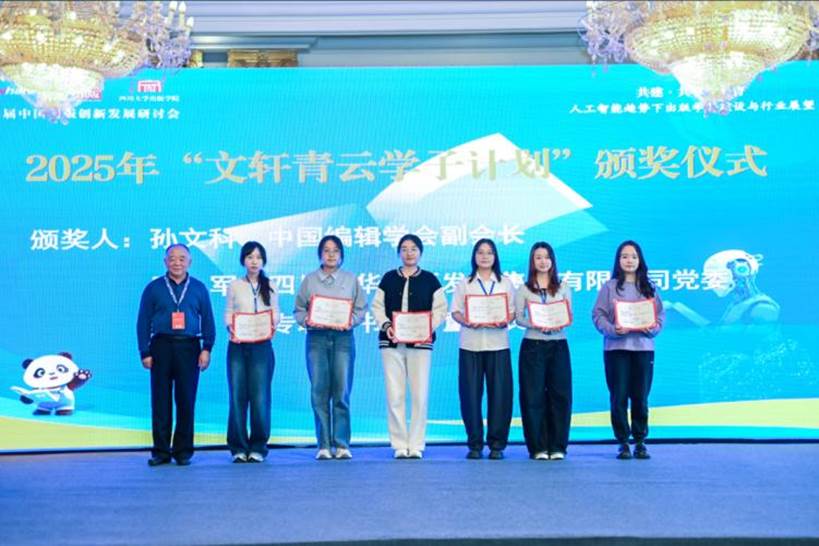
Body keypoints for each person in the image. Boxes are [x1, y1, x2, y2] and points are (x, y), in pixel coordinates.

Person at [137, 244, 216, 466]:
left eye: (182, 258)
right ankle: (161, 451)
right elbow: (143, 321)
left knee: (186, 401)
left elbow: (208, 320)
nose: (177, 262)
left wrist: (207, 348)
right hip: (161, 346)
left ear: (189, 262)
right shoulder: (153, 288)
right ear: (165, 262)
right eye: (172, 258)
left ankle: (183, 451)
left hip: (189, 347)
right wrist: (144, 351)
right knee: (160, 401)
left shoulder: (199, 288)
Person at [371, 234, 448, 459]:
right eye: (404, 249)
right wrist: (387, 325)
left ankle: (416, 444)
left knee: (419, 395)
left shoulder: (430, 280)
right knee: (394, 394)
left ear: (420, 252)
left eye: (413, 248)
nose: (409, 253)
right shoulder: (388, 278)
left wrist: (426, 327)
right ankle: (399, 444)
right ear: (398, 253)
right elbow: (377, 307)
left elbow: (441, 309)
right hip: (391, 343)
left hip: (421, 344)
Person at [294, 235, 367, 460]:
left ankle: (342, 444)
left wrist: (349, 321)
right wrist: (307, 320)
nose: (331, 254)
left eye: (335, 250)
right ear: (320, 255)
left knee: (341, 391)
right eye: (326, 250)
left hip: (343, 338)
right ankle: (324, 445)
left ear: (341, 255)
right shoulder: (309, 280)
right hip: (316, 338)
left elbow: (361, 309)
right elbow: (299, 310)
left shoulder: (351, 279)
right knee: (319, 391)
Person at [592, 240, 664, 460]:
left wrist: (652, 328)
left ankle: (640, 441)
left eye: (633, 256)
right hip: (616, 349)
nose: (629, 260)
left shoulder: (650, 287)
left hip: (643, 349)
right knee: (619, 397)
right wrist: (613, 329)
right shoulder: (609, 287)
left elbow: (660, 316)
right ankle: (623, 442)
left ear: (640, 260)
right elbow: (598, 315)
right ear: (618, 260)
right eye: (624, 256)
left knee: (641, 397)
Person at [450, 238, 516, 460]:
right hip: (470, 344)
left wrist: (506, 319)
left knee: (500, 395)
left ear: (495, 256)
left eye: (489, 252)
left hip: (498, 344)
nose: (485, 256)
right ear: (474, 256)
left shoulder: (505, 283)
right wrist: (467, 321)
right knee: (470, 396)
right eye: (480, 252)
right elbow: (455, 312)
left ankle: (497, 444)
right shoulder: (464, 283)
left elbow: (513, 312)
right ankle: (475, 444)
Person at [514, 242, 573, 461]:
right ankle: (537, 447)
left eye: (547, 257)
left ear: (553, 261)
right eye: (538, 257)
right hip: (533, 345)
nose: (543, 261)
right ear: (532, 261)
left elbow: (569, 315)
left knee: (560, 395)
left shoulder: (563, 287)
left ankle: (558, 446)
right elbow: (518, 317)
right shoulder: (524, 289)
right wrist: (535, 324)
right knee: (533, 396)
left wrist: (560, 323)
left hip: (558, 345)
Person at [224, 241, 279, 463]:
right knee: (238, 396)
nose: (254, 261)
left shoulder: (271, 285)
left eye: (258, 257)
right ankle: (238, 447)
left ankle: (258, 446)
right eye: (249, 257)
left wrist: (271, 323)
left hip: (262, 346)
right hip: (238, 346)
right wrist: (231, 325)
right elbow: (228, 312)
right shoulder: (235, 285)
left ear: (263, 261)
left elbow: (276, 313)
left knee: (260, 397)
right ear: (243, 261)